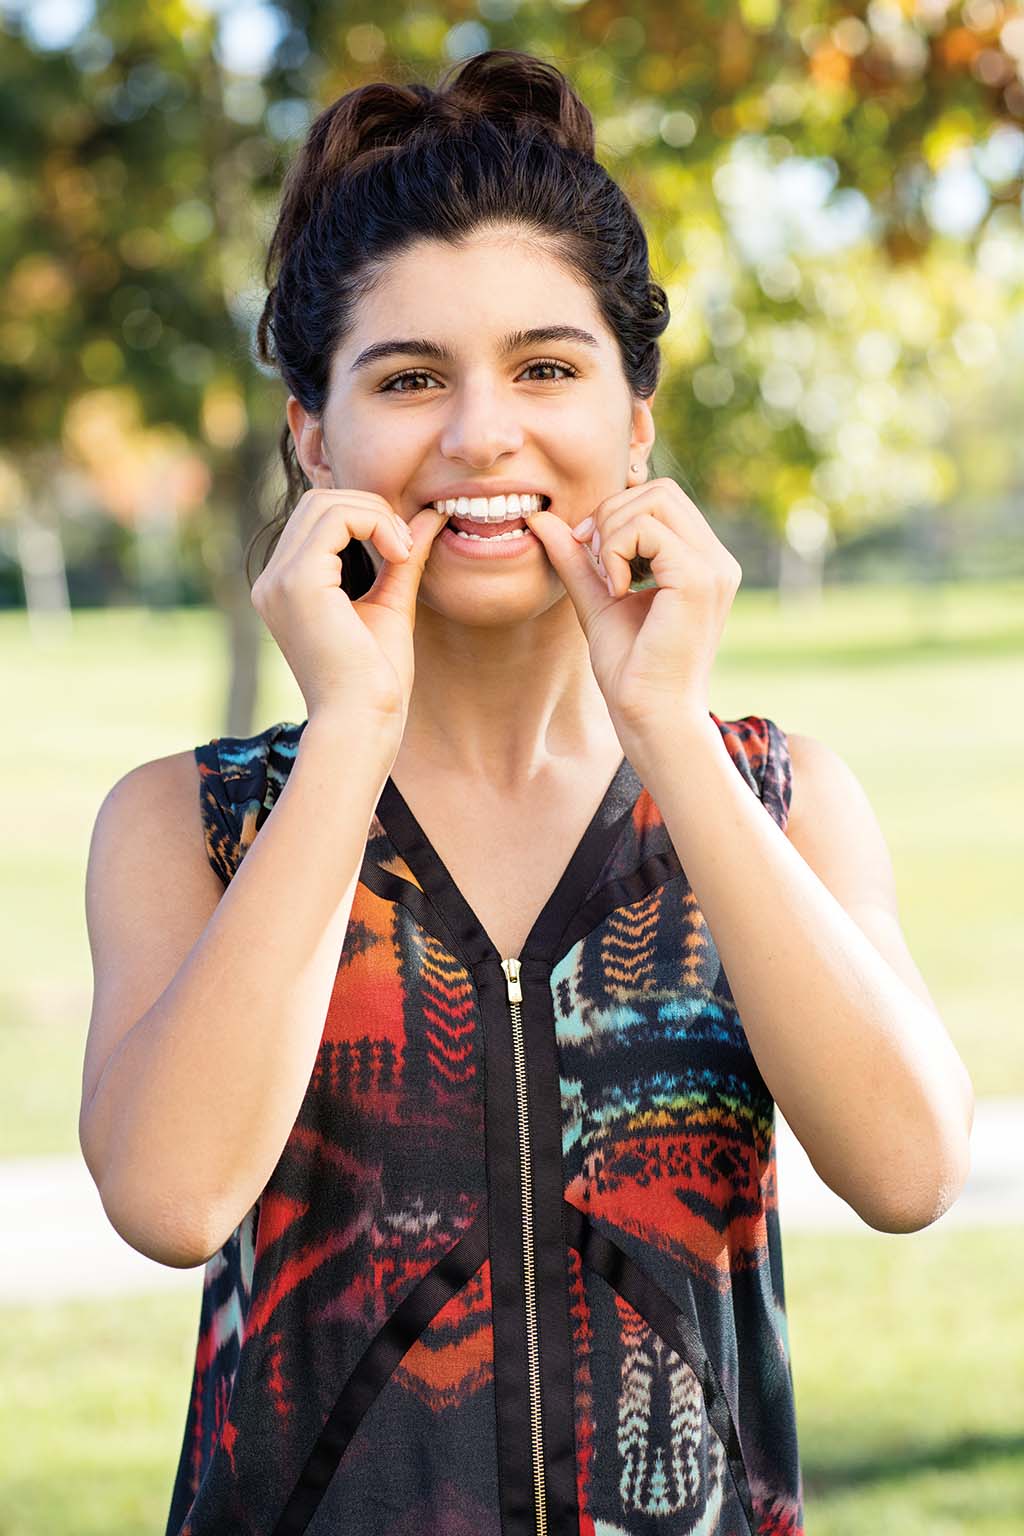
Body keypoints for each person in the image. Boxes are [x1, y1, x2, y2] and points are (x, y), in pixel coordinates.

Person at [78, 48, 974, 1536]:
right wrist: (350, 732)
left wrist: (666, 723)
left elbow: (912, 1169)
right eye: (410, 377)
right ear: (314, 436)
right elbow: (171, 1201)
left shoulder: (774, 795)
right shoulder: (192, 825)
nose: (482, 434)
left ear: (635, 420)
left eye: (547, 368)